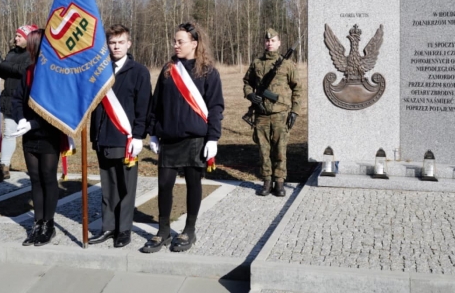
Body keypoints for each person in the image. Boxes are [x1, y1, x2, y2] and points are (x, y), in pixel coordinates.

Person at [142, 22, 224, 253]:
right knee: (164, 185)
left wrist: (212, 138)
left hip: (195, 139)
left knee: (193, 185)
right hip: (169, 139)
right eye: (175, 41)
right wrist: (154, 132)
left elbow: (216, 107)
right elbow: (156, 104)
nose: (175, 45)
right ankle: (163, 230)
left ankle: (189, 229)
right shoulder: (169, 70)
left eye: (180, 41)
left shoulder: (208, 72)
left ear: (194, 44)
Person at [89, 24, 151, 248]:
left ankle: (124, 229)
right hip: (102, 136)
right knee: (107, 186)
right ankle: (107, 227)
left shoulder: (139, 72)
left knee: (125, 187)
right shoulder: (100, 69)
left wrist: (138, 136)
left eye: (120, 42)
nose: (116, 46)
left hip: (125, 140)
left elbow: (143, 107)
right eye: (112, 43)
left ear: (129, 44)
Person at [12, 29, 62, 246]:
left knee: (48, 178)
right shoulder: (29, 71)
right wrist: (20, 119)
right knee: (35, 179)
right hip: (29, 135)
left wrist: (33, 123)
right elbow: (16, 99)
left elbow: (56, 108)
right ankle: (37, 222)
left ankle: (48, 224)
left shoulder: (55, 73)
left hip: (49, 133)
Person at [243, 28, 302, 197]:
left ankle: (280, 182)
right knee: (263, 150)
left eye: (273, 40)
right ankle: (267, 181)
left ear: (279, 43)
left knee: (280, 150)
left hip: (280, 114)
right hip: (261, 114)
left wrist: (295, 111)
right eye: (267, 41)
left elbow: (297, 88)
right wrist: (251, 95)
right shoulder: (257, 63)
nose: (270, 43)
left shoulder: (287, 65)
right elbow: (247, 82)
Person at [0, 24, 38, 183]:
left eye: (20, 36)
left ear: (28, 38)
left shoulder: (33, 54)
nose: (16, 38)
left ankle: (35, 168)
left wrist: (2, 64)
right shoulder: (12, 53)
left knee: (30, 136)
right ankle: (4, 166)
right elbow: (6, 72)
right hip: (10, 99)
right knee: (9, 133)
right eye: (16, 35)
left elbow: (21, 70)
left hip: (27, 101)